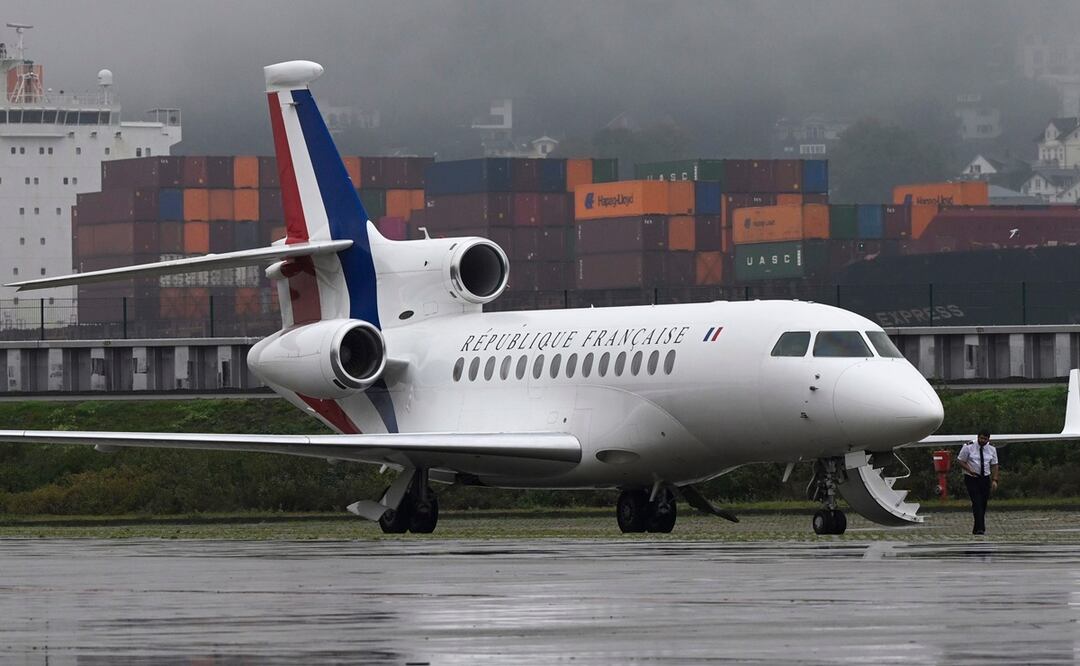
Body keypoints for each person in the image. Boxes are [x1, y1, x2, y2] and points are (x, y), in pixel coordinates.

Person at [956, 430, 999, 535]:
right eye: (981, 438)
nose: (982, 440)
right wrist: (969, 470)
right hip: (971, 478)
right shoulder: (968, 446)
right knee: (977, 502)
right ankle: (981, 527)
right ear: (978, 437)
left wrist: (995, 479)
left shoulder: (992, 449)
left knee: (983, 503)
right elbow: (960, 460)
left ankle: (977, 527)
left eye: (985, 439)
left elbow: (995, 465)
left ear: (988, 439)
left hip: (985, 478)